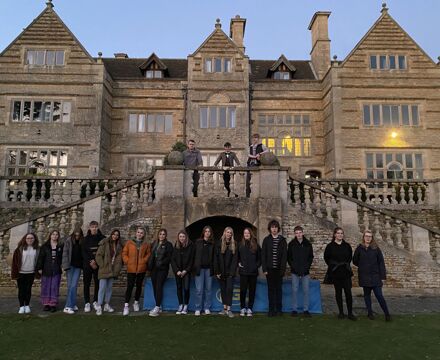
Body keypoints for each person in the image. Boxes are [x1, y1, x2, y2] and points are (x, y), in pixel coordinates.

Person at [353, 230, 391, 321]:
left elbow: (381, 262)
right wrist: (363, 266)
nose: (368, 238)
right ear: (363, 237)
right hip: (364, 276)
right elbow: (355, 260)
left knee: (379, 295)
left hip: (375, 276)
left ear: (372, 238)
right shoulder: (359, 248)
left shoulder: (376, 248)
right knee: (367, 295)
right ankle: (369, 313)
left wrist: (382, 277)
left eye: (370, 236)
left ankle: (387, 314)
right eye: (366, 236)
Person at [324, 227, 356, 321]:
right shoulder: (330, 246)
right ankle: (341, 312)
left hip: (345, 272)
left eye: (341, 233)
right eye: (338, 233)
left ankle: (350, 313)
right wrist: (334, 266)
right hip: (336, 273)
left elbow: (350, 257)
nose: (340, 235)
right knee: (338, 293)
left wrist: (344, 265)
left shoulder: (347, 246)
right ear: (334, 234)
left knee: (348, 293)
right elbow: (327, 258)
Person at [122, 226, 151, 316]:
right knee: (130, 287)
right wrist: (127, 261)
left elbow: (148, 253)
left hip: (141, 269)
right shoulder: (129, 243)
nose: (139, 234)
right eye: (138, 232)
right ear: (136, 233)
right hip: (131, 269)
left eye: (141, 233)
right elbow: (124, 253)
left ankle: (136, 302)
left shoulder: (146, 244)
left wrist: (144, 260)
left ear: (143, 235)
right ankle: (126, 305)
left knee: (139, 286)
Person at [261, 220, 287, 317]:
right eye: (272, 227)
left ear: (278, 229)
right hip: (269, 270)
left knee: (279, 290)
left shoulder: (282, 240)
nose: (274, 229)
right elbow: (263, 255)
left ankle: (279, 310)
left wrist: (282, 270)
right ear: (270, 229)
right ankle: (271, 310)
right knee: (271, 290)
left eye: (276, 227)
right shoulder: (266, 240)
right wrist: (264, 269)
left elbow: (284, 256)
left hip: (279, 270)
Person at [287, 226, 314, 317]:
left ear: (302, 233)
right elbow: (289, 258)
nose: (298, 234)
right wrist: (295, 268)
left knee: (306, 290)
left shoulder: (307, 244)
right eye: (296, 233)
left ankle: (306, 310)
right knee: (294, 290)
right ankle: (294, 309)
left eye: (300, 232)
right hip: (295, 272)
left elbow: (310, 257)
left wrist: (306, 268)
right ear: (295, 234)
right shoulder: (291, 244)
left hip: (305, 272)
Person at [95, 229, 123, 316]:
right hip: (104, 268)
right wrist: (102, 265)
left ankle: (107, 304)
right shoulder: (105, 243)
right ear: (111, 234)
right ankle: (99, 305)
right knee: (102, 288)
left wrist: (117, 268)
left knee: (109, 288)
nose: (115, 236)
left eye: (117, 235)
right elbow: (98, 255)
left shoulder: (118, 245)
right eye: (114, 234)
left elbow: (119, 258)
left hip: (113, 269)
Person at [11, 232, 40, 314]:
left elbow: (39, 261)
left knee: (28, 289)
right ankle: (21, 306)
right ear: (25, 239)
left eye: (31, 238)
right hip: (21, 273)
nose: (30, 240)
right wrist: (14, 273)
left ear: (34, 239)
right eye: (28, 238)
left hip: (31, 272)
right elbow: (14, 262)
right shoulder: (19, 249)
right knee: (21, 290)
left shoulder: (37, 249)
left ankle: (27, 305)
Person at [148, 228, 173, 317]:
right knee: (155, 287)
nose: (161, 236)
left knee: (159, 286)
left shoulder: (168, 245)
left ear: (165, 236)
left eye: (163, 234)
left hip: (162, 269)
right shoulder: (154, 244)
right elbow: (151, 255)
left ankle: (157, 307)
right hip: (154, 269)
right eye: (160, 234)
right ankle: (158, 305)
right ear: (158, 235)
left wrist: (162, 262)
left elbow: (169, 257)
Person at [37, 230, 63, 312]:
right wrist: (39, 268)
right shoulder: (45, 246)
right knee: (46, 286)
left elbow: (62, 257)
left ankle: (53, 304)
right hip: (46, 269)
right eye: (53, 234)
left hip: (56, 269)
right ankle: (46, 304)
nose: (55, 236)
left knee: (54, 286)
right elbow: (40, 258)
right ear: (50, 235)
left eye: (56, 234)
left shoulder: (60, 246)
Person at [214, 227, 238, 318]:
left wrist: (232, 273)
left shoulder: (234, 244)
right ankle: (224, 309)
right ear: (224, 233)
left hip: (230, 273)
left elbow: (235, 260)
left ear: (232, 234)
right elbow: (216, 259)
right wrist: (217, 272)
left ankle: (229, 309)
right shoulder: (219, 244)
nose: (229, 234)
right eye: (227, 232)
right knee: (223, 290)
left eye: (230, 233)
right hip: (221, 272)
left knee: (229, 290)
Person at [82, 221, 105, 313]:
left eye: (95, 227)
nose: (94, 228)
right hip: (87, 265)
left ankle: (95, 301)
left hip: (98, 265)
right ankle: (87, 302)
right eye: (92, 227)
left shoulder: (102, 238)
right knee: (86, 284)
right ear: (89, 228)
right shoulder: (85, 239)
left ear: (98, 227)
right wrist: (91, 261)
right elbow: (83, 252)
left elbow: (103, 251)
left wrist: (96, 261)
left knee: (97, 283)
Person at [238, 227, 261, 317]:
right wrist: (238, 263)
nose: (246, 234)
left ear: (250, 234)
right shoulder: (240, 245)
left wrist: (256, 266)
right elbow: (237, 257)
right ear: (243, 235)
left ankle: (250, 308)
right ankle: (242, 308)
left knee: (252, 291)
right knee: (243, 291)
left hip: (253, 273)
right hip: (243, 272)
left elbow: (260, 259)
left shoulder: (256, 245)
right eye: (245, 233)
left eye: (248, 233)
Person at [193, 225, 215, 316]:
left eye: (209, 231)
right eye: (206, 231)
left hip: (209, 269)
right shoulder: (198, 242)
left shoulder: (213, 243)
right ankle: (198, 308)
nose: (207, 233)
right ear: (203, 232)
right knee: (199, 290)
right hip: (199, 269)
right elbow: (194, 255)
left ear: (210, 233)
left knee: (208, 289)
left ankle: (206, 308)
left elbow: (214, 257)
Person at [171, 230, 195, 315]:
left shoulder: (190, 246)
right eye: (180, 236)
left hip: (186, 272)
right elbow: (173, 260)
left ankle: (186, 305)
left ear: (186, 237)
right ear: (178, 237)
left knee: (186, 288)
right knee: (179, 288)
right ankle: (180, 304)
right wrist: (177, 270)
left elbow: (192, 260)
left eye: (183, 236)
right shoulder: (176, 246)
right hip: (178, 272)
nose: (182, 238)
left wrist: (186, 270)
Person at [62, 227, 84, 314]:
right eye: (76, 233)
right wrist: (65, 266)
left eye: (79, 233)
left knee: (73, 286)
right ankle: (68, 306)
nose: (77, 234)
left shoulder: (83, 241)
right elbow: (65, 253)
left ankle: (72, 304)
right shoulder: (69, 240)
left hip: (78, 266)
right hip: (70, 266)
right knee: (71, 286)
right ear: (74, 233)